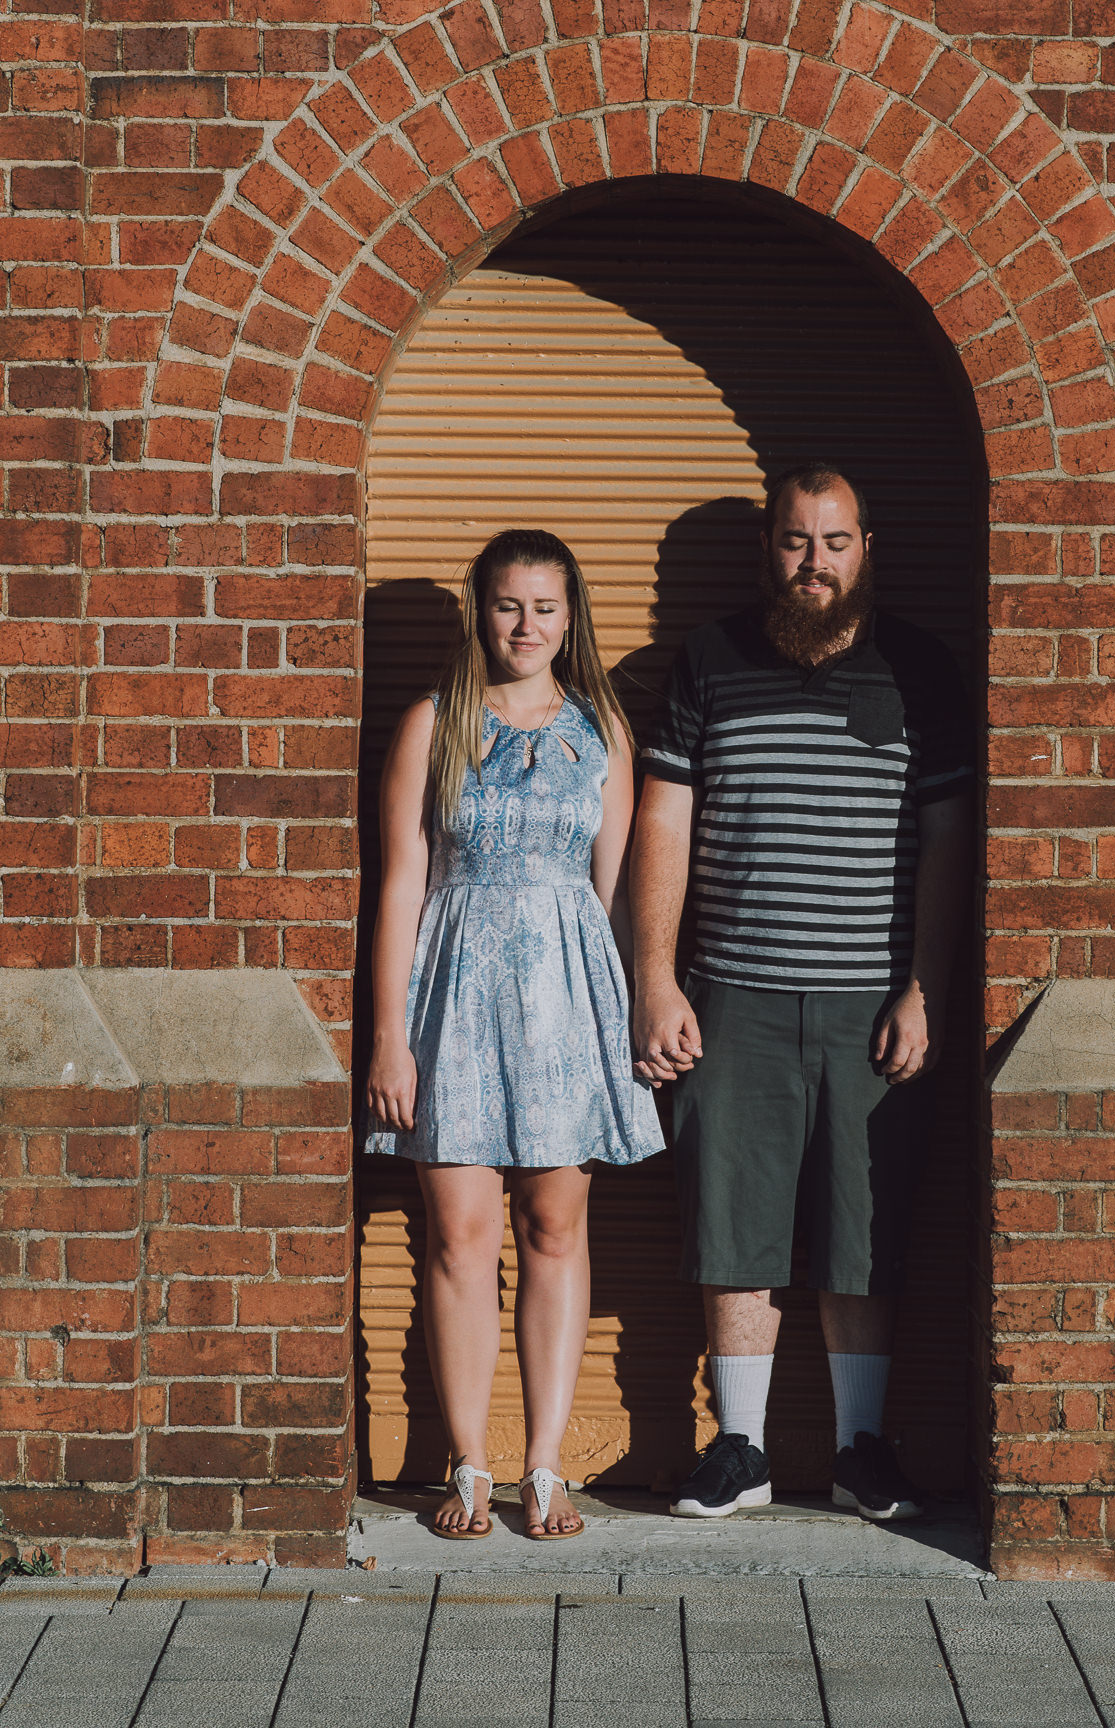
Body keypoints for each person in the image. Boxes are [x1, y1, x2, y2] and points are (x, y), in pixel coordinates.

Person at [631, 464, 974, 1521]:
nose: (812, 562)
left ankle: (860, 1449)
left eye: (832, 540)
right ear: (766, 549)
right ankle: (737, 1447)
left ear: (867, 544)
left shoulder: (919, 668)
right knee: (731, 1222)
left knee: (858, 1230)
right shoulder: (709, 658)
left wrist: (925, 985)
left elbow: (949, 838)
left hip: (867, 999)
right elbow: (664, 821)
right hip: (730, 990)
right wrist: (652, 974)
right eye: (792, 540)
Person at [366, 528, 664, 1541]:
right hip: (450, 994)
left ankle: (543, 1467)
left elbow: (613, 896)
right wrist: (386, 1038)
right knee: (454, 1236)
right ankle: (467, 1465)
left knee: (552, 1228)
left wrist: (628, 1017)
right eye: (507, 604)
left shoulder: (604, 730)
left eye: (544, 605)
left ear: (570, 616)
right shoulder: (432, 723)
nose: (526, 623)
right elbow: (401, 884)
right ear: (477, 611)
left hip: (565, 1000)